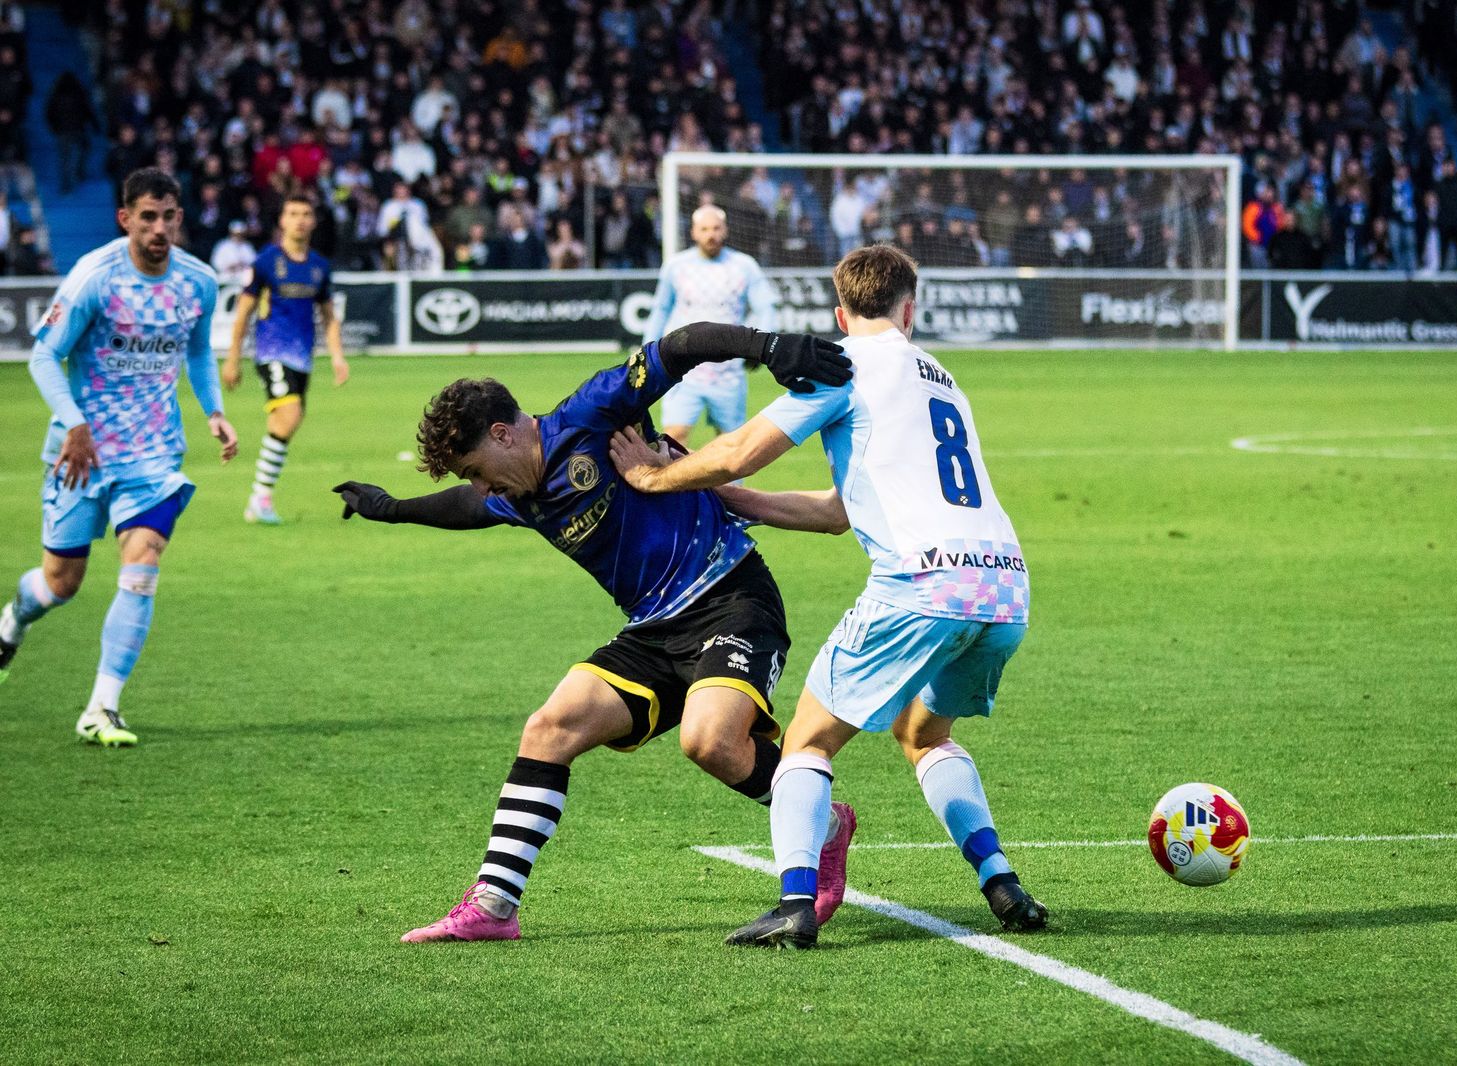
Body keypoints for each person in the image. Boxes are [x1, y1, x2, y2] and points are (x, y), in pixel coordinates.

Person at [331, 322, 854, 943]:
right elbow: (464, 510)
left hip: (732, 597)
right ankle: (494, 907)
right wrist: (391, 508)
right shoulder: (514, 495)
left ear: (503, 433)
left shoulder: (591, 413)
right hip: (653, 632)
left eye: (476, 468)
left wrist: (770, 348)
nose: (480, 487)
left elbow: (679, 347)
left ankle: (823, 828)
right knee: (549, 727)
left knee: (710, 741)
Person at [610, 245, 1045, 949]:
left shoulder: (841, 364)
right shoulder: (941, 377)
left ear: (838, 314)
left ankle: (793, 903)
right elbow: (839, 510)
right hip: (1003, 587)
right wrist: (727, 496)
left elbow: (740, 448)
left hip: (921, 581)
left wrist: (656, 479)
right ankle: (1000, 880)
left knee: (806, 742)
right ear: (912, 308)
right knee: (924, 732)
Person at [0, 168, 240, 744]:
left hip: (154, 455)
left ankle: (102, 707)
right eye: (148, 217)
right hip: (81, 455)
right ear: (125, 218)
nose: (159, 229)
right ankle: (11, 621)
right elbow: (43, 356)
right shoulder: (95, 278)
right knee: (61, 583)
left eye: (169, 217)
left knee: (143, 565)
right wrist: (75, 425)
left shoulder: (198, 282)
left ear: (180, 219)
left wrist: (213, 409)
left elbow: (198, 352)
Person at [221, 193, 349, 524]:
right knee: (289, 417)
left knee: (284, 423)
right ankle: (260, 498)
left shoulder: (320, 266)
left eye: (306, 213)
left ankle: (259, 499)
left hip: (302, 357)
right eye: (293, 213)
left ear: (313, 221)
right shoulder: (265, 262)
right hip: (271, 351)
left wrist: (337, 356)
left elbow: (329, 315)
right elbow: (244, 312)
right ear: (282, 220)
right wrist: (233, 358)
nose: (300, 219)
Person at [643, 205, 777, 447]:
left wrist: (760, 347)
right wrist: (647, 350)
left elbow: (766, 307)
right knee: (674, 436)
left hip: (728, 371)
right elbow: (660, 310)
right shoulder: (677, 266)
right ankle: (679, 485)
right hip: (681, 368)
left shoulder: (744, 266)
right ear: (693, 232)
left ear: (725, 230)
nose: (710, 234)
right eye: (704, 229)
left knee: (729, 445)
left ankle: (724, 487)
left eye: (716, 228)